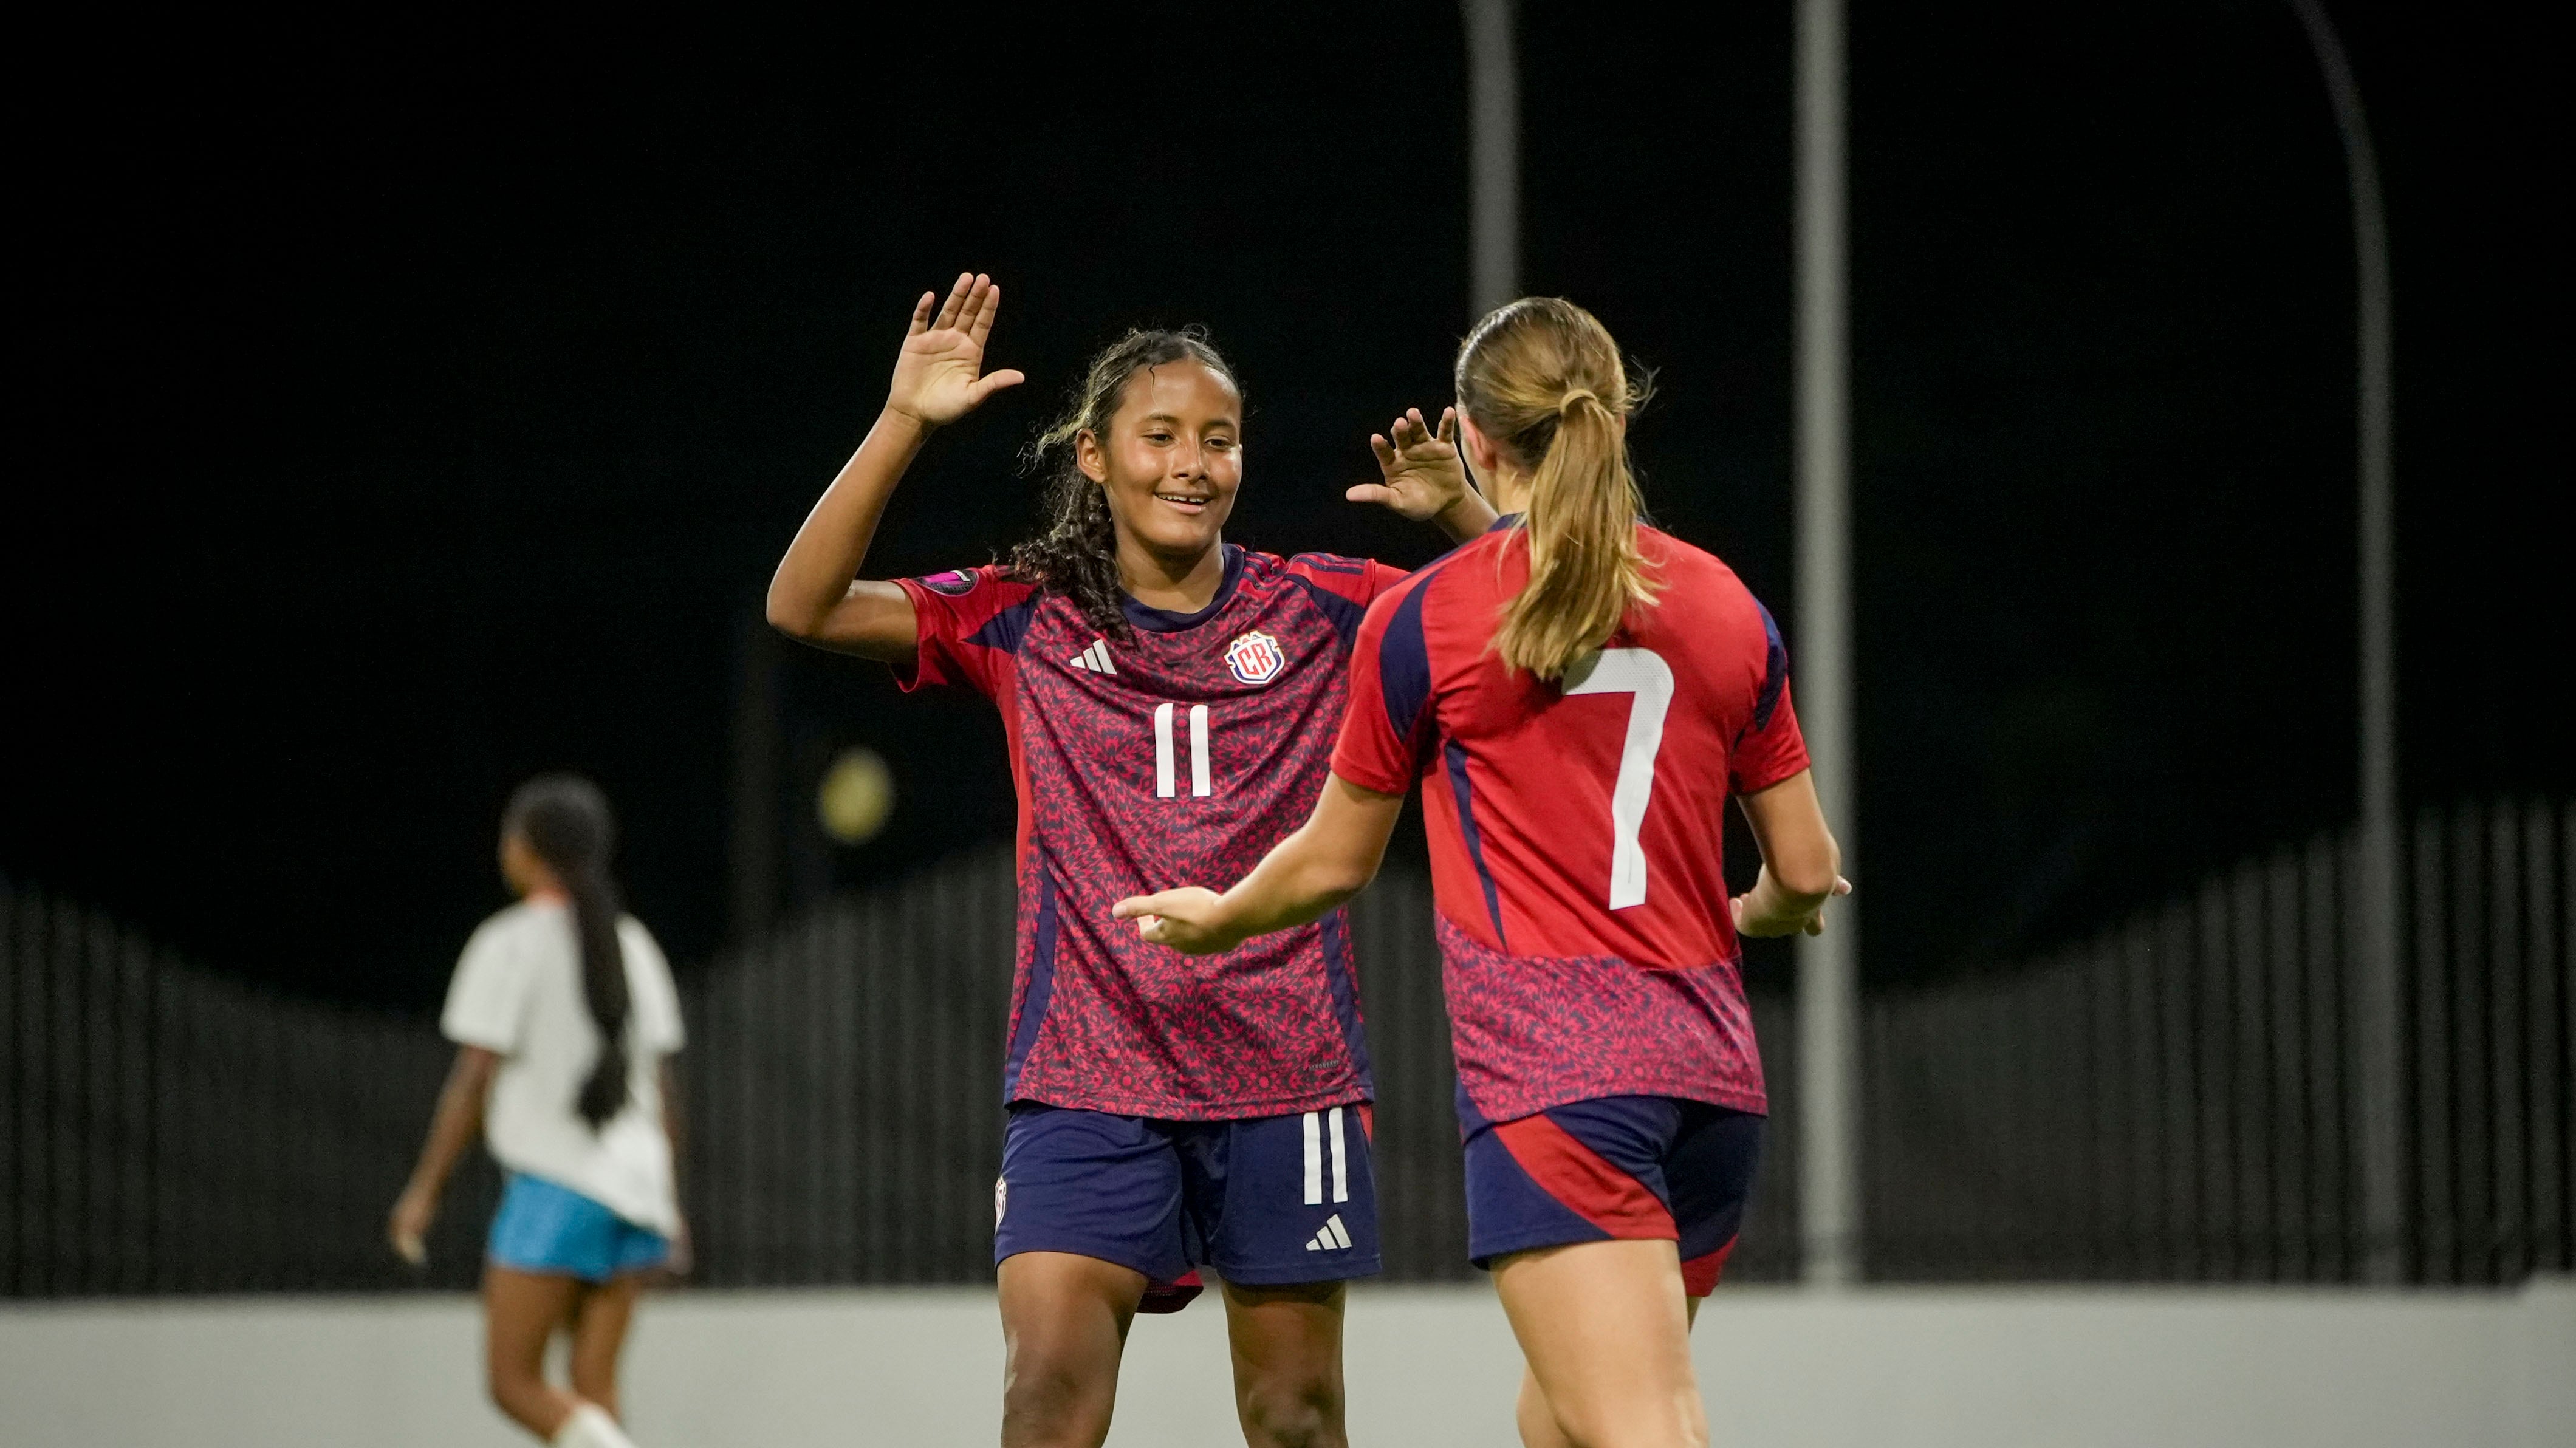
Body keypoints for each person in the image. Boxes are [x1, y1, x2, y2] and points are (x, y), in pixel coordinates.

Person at [764, 273, 1496, 1448]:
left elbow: (1538, 620)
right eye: (1160, 436)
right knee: (1046, 1395)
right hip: (1084, 1082)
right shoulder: (1024, 613)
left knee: (1295, 1415)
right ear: (1096, 458)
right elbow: (801, 605)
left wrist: (1463, 515)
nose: (1193, 464)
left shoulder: (1319, 603)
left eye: (1221, 440)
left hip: (1287, 1076)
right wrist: (904, 419)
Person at [1115, 296, 1849, 1448]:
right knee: (1557, 1422)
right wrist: (1758, 908)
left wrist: (1222, 917)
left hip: (1558, 1086)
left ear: (1470, 431)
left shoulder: (1425, 619)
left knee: (1642, 1422)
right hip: (1712, 1087)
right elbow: (1806, 866)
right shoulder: (1720, 601)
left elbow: (1332, 861)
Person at [390, 776, 689, 1448]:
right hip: (635, 1188)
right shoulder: (634, 942)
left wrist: (423, 1191)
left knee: (513, 1381)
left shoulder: (510, 942)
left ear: (526, 849)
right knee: (593, 1387)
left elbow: (473, 1078)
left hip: (556, 1186)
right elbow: (664, 1090)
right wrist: (672, 1209)